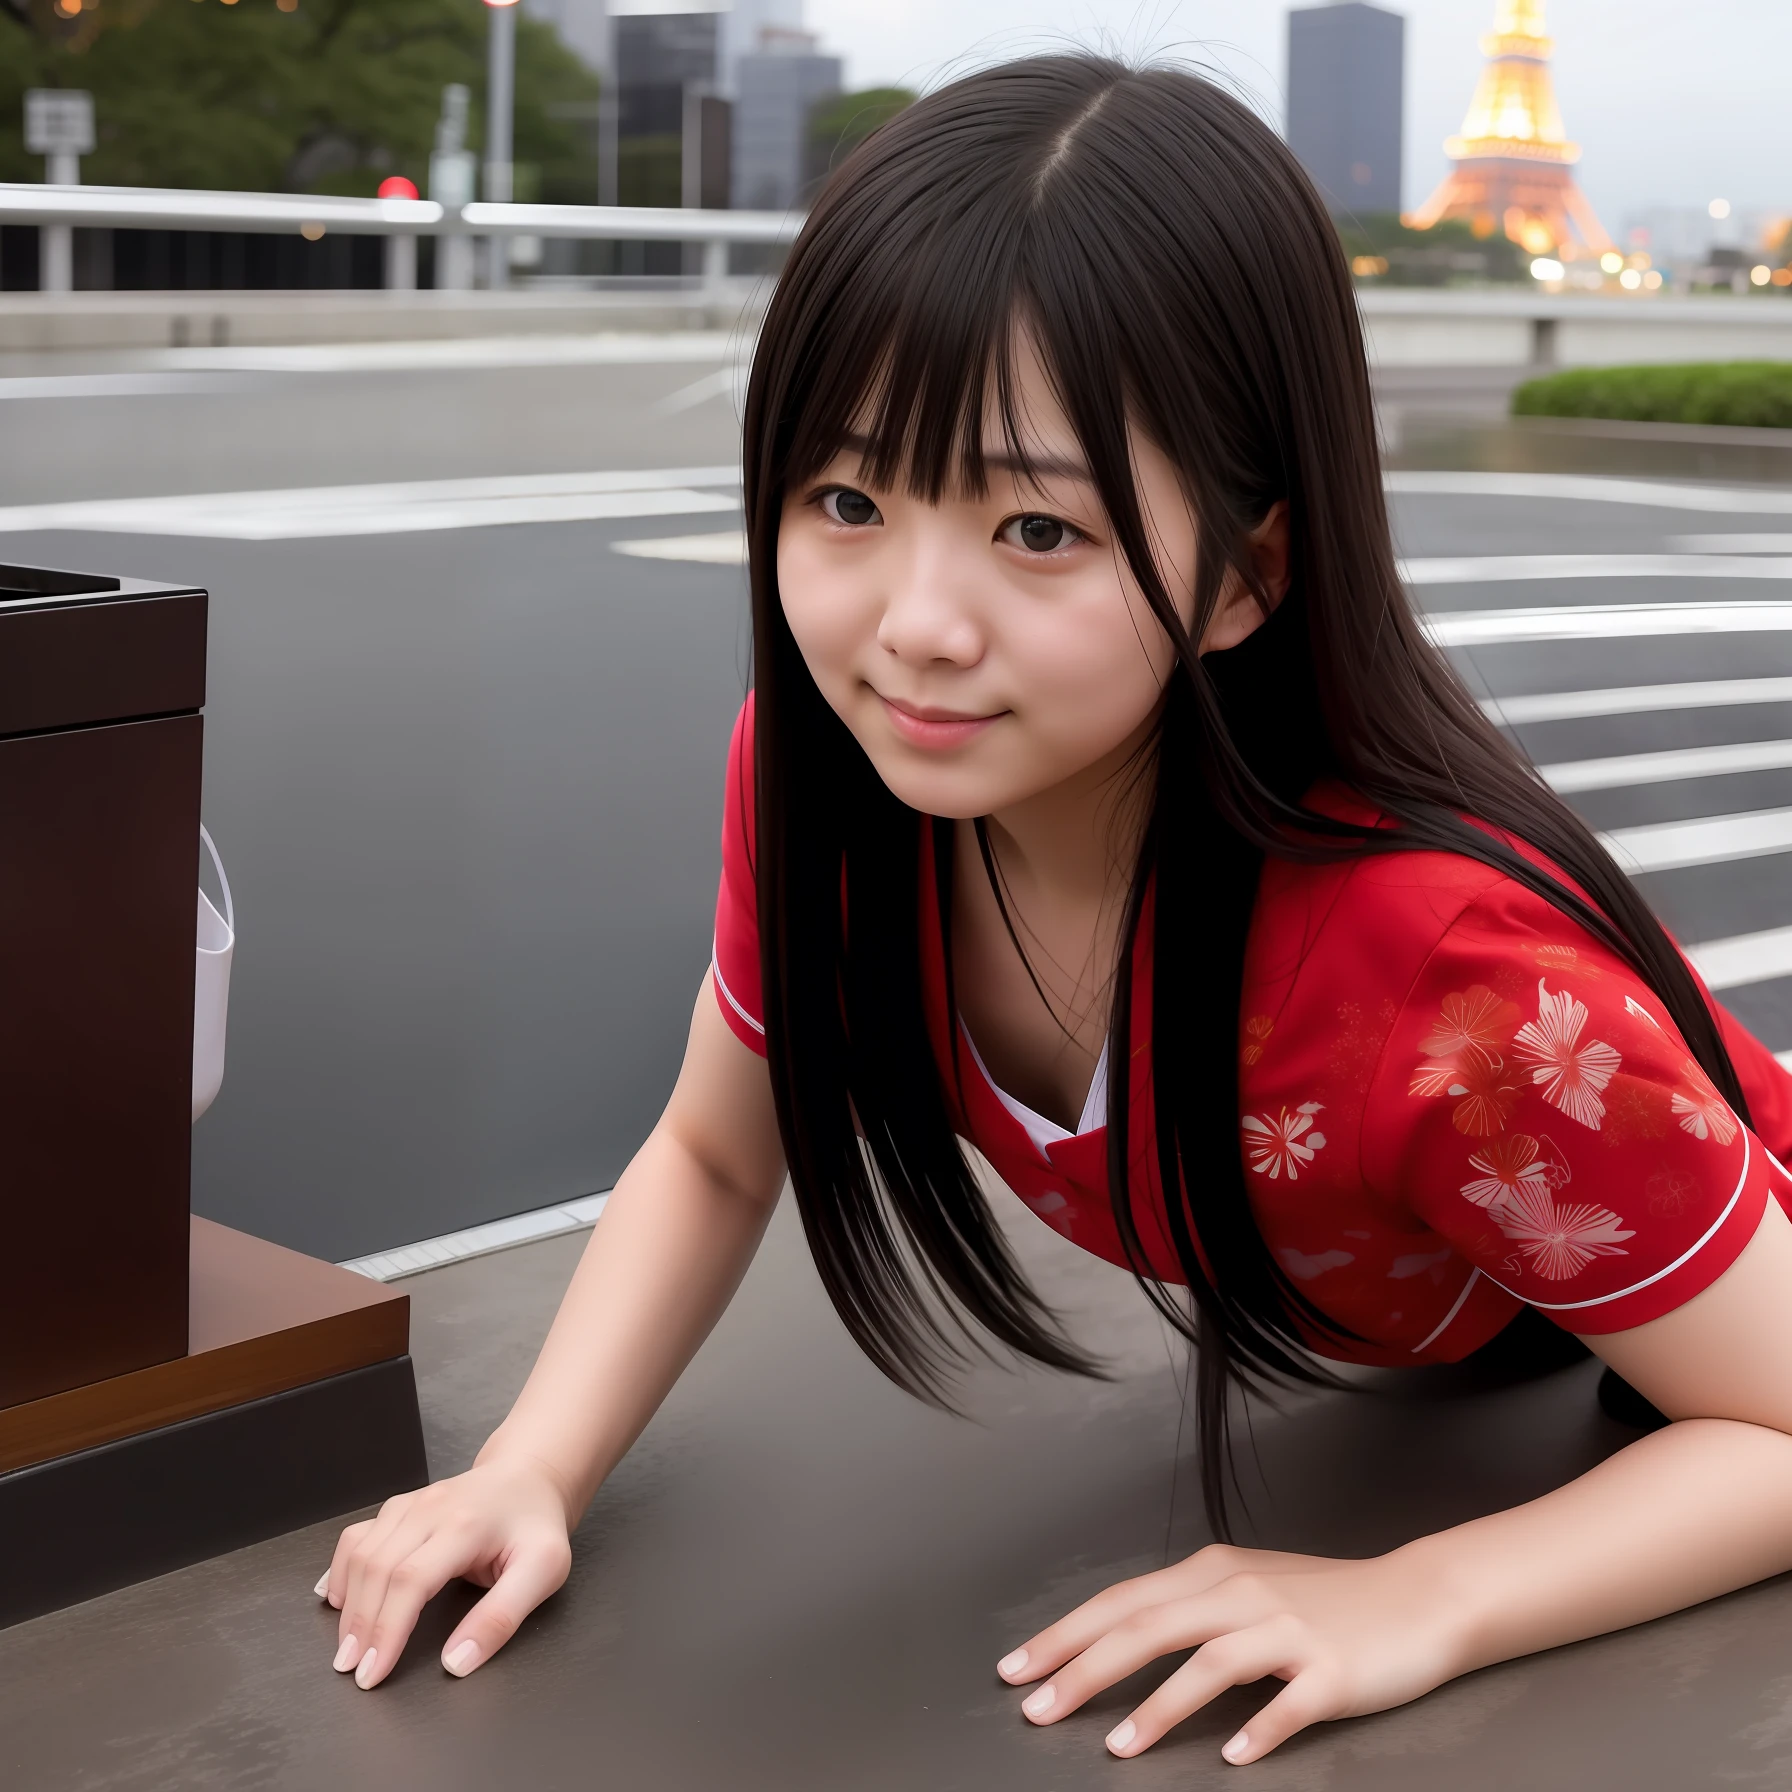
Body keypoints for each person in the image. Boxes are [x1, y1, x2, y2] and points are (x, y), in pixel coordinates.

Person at [317, 55, 1792, 1765]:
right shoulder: (828, 785)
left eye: (1035, 527)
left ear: (1250, 573)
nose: (917, 627)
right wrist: (526, 1473)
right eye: (849, 501)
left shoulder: (1451, 988)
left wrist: (1417, 1598)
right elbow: (722, 1152)